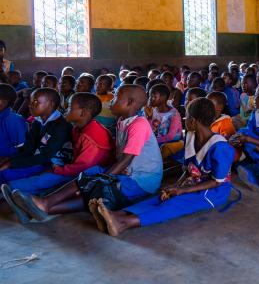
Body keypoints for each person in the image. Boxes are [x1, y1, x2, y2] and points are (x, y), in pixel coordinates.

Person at [5, 85, 163, 223]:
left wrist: (103, 179)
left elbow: (127, 159)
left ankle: (42, 205)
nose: (112, 99)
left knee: (96, 188)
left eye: (116, 97)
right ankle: (43, 204)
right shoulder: (123, 120)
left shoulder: (139, 124)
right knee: (89, 176)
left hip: (142, 180)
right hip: (128, 173)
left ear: (129, 102)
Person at [90, 98, 237, 236]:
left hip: (213, 191)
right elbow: (189, 170)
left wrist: (183, 190)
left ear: (193, 121)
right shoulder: (191, 137)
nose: (184, 119)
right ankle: (117, 215)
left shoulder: (220, 147)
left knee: (175, 203)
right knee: (162, 196)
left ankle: (125, 223)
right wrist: (176, 186)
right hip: (195, 182)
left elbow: (216, 181)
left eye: (185, 116)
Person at [2, 94, 114, 223]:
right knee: (32, 183)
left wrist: (57, 169)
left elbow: (84, 167)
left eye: (70, 108)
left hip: (89, 174)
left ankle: (25, 204)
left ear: (82, 112)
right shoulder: (78, 128)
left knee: (43, 181)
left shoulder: (92, 134)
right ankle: (24, 206)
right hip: (73, 169)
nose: (65, 110)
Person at [0, 88, 72, 184]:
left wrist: (12, 163)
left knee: (5, 173)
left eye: (35, 102)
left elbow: (46, 156)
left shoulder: (61, 126)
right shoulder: (37, 121)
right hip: (37, 160)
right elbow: (28, 148)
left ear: (51, 104)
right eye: (31, 101)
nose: (30, 105)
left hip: (53, 165)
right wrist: (8, 158)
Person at [146, 84, 183, 151]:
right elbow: (149, 131)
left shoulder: (173, 114)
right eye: (150, 96)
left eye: (154, 96)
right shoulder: (152, 111)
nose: (150, 99)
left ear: (163, 98)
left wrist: (152, 142)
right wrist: (149, 118)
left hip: (171, 145)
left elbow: (171, 136)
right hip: (156, 143)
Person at [0, 84, 27, 158]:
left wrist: (6, 160)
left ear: (7, 102)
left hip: (7, 159)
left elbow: (20, 148)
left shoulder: (14, 120)